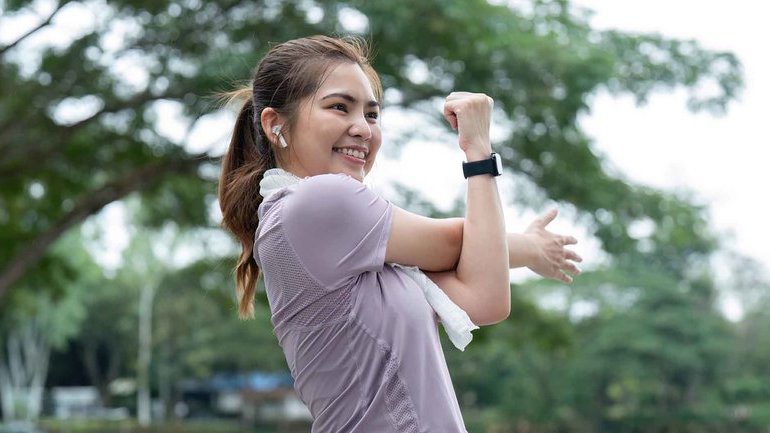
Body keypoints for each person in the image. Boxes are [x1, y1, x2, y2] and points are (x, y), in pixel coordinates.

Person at [218, 35, 581, 433]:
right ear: (275, 124)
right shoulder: (318, 202)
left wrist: (530, 249)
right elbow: (455, 242)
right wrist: (478, 149)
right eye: (339, 107)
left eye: (372, 115)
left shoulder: (348, 244)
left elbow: (485, 298)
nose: (362, 129)